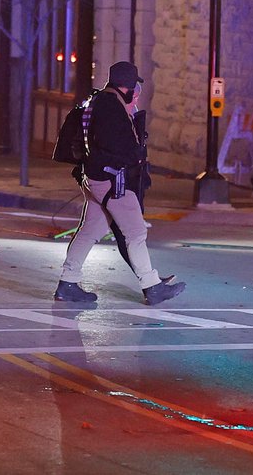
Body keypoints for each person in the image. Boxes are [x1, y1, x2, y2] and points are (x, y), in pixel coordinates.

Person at [54, 60, 186, 306]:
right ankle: (152, 286)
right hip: (111, 180)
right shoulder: (111, 108)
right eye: (134, 89)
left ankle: (68, 283)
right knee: (136, 232)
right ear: (126, 88)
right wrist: (135, 155)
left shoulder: (96, 101)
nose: (135, 94)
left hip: (94, 177)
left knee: (89, 231)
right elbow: (119, 146)